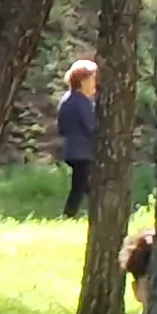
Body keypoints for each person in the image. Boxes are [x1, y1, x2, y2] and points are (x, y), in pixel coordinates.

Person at [58, 60, 101, 217]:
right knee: (80, 186)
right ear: (83, 81)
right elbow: (91, 125)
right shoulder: (82, 102)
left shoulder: (67, 99)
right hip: (83, 151)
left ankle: (98, 213)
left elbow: (61, 128)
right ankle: (68, 215)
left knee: (88, 185)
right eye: (92, 79)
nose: (95, 83)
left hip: (72, 149)